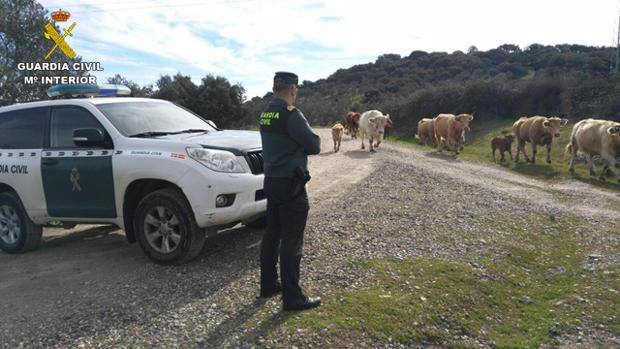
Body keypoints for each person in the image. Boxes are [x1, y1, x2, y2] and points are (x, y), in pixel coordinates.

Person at [258, 71, 321, 311]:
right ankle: (293, 297)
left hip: (271, 181)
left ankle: (268, 285)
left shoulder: (266, 114)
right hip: (291, 185)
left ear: (274, 87)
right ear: (293, 90)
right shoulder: (291, 114)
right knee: (292, 240)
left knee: (272, 234)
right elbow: (314, 145)